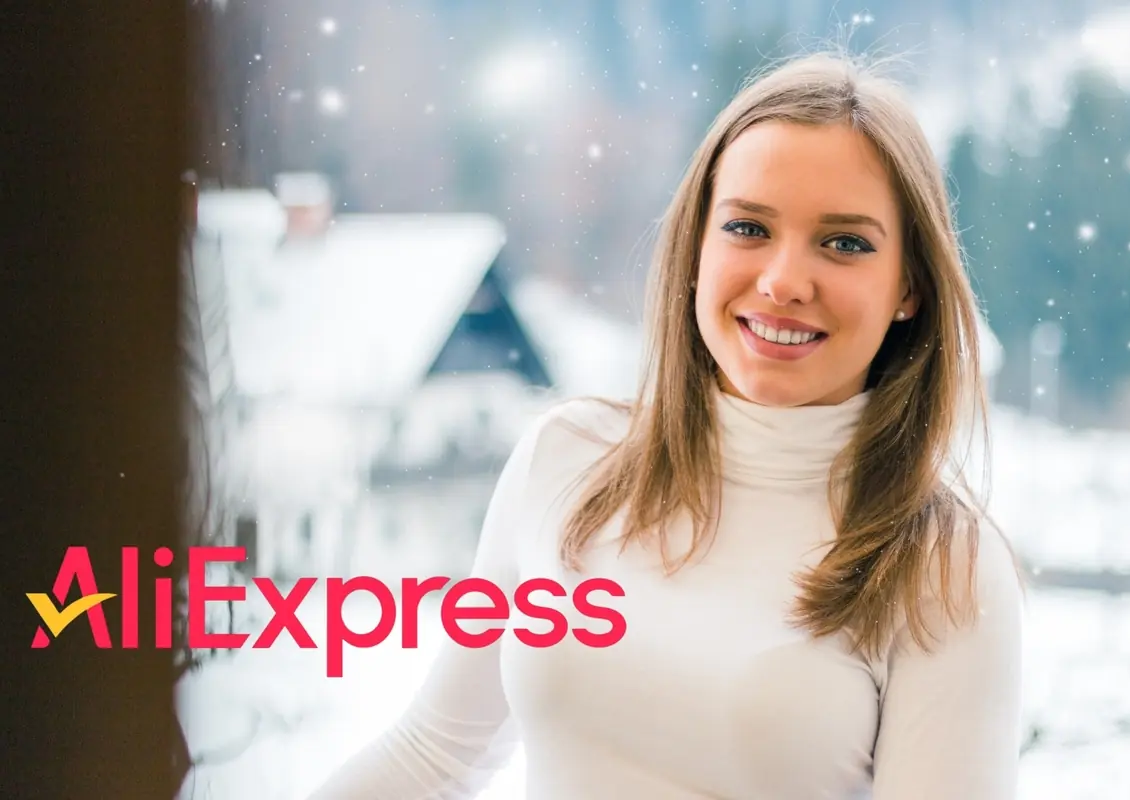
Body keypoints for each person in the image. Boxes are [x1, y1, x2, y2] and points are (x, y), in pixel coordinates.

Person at [309, 50, 1025, 800]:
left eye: (844, 243)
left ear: (909, 286)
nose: (783, 281)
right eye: (748, 227)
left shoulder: (946, 569)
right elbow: (430, 758)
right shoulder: (566, 460)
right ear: (696, 249)